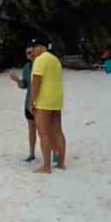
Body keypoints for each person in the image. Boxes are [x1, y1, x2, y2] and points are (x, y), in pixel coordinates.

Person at [29, 37, 66, 174]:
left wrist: (32, 102)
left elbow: (36, 83)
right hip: (57, 100)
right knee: (58, 131)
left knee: (44, 133)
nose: (33, 51)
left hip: (44, 101)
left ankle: (46, 166)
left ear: (41, 47)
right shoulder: (55, 59)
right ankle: (61, 163)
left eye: (35, 47)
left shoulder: (40, 60)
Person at [9, 46, 37, 162]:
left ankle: (54, 152)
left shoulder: (42, 65)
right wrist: (17, 81)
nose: (29, 54)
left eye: (31, 52)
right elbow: (24, 85)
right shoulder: (26, 68)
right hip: (28, 103)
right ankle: (31, 153)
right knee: (31, 128)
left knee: (45, 129)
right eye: (27, 53)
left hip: (42, 103)